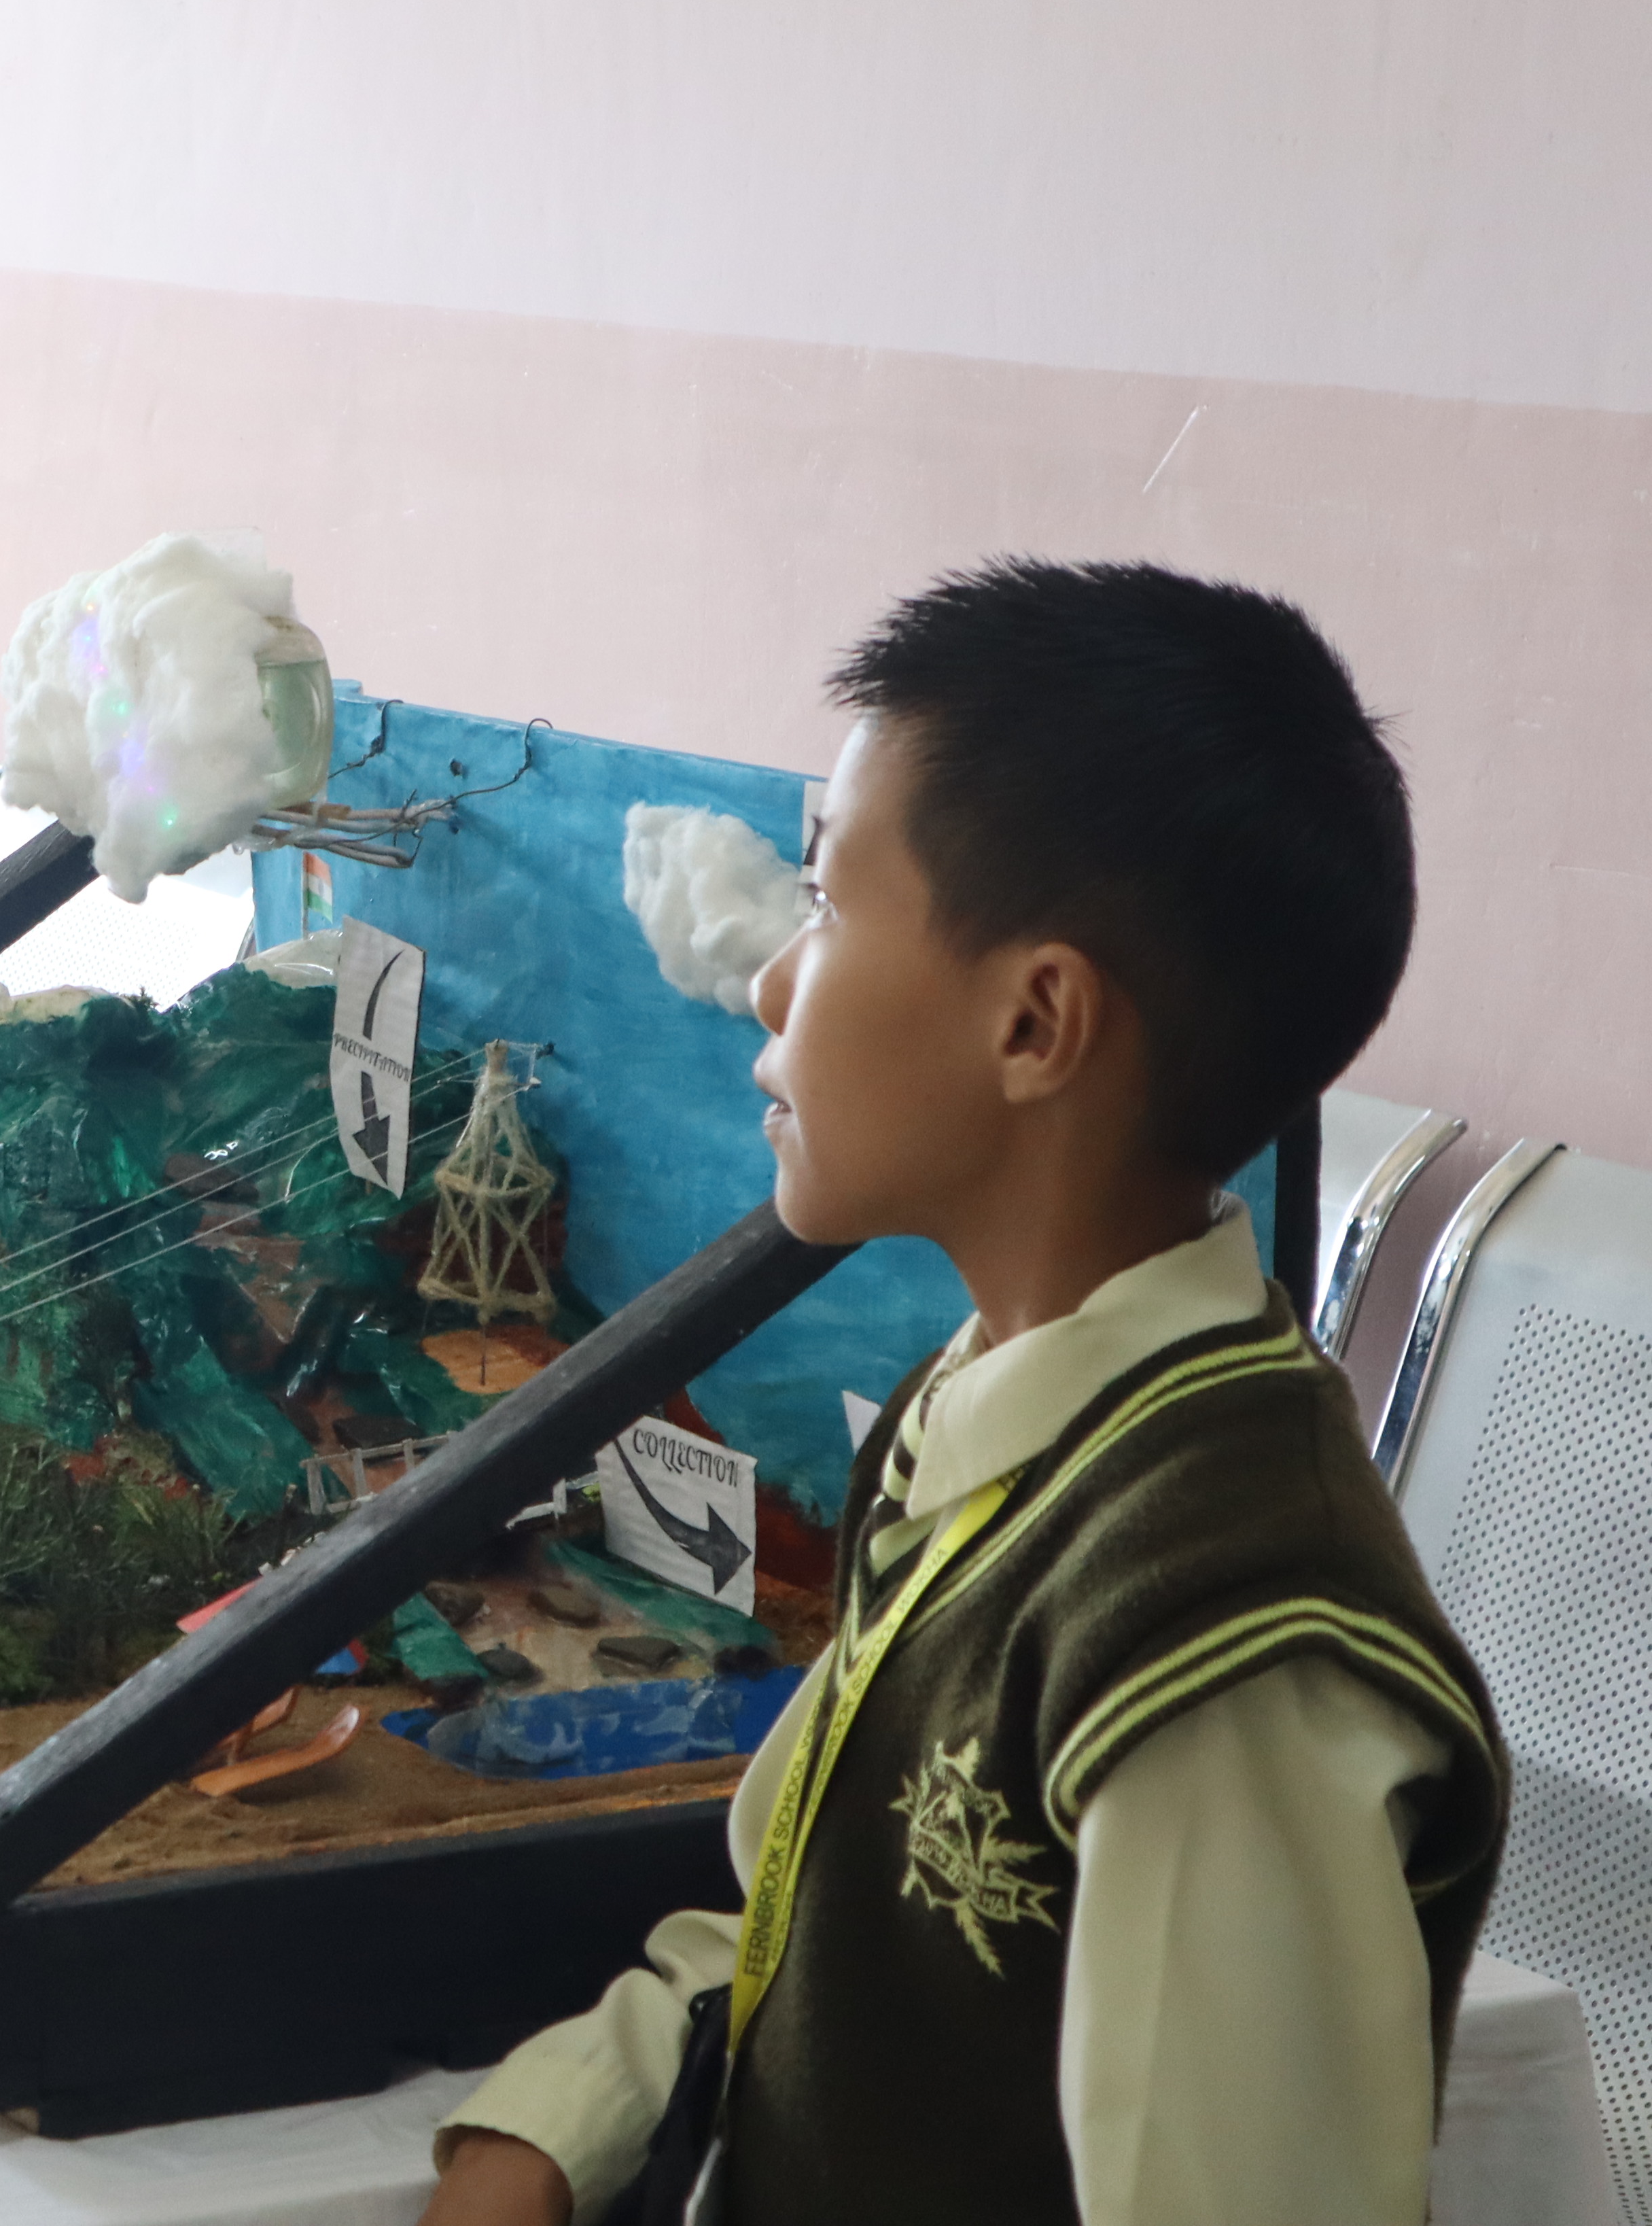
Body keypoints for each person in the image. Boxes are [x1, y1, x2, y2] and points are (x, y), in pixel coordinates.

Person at [422, 562, 1506, 2226]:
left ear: (1034, 1021)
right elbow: (811, 1907)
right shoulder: (1001, 1406)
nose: (774, 981)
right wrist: (561, 2123)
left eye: (829, 901)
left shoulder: (1222, 1642)